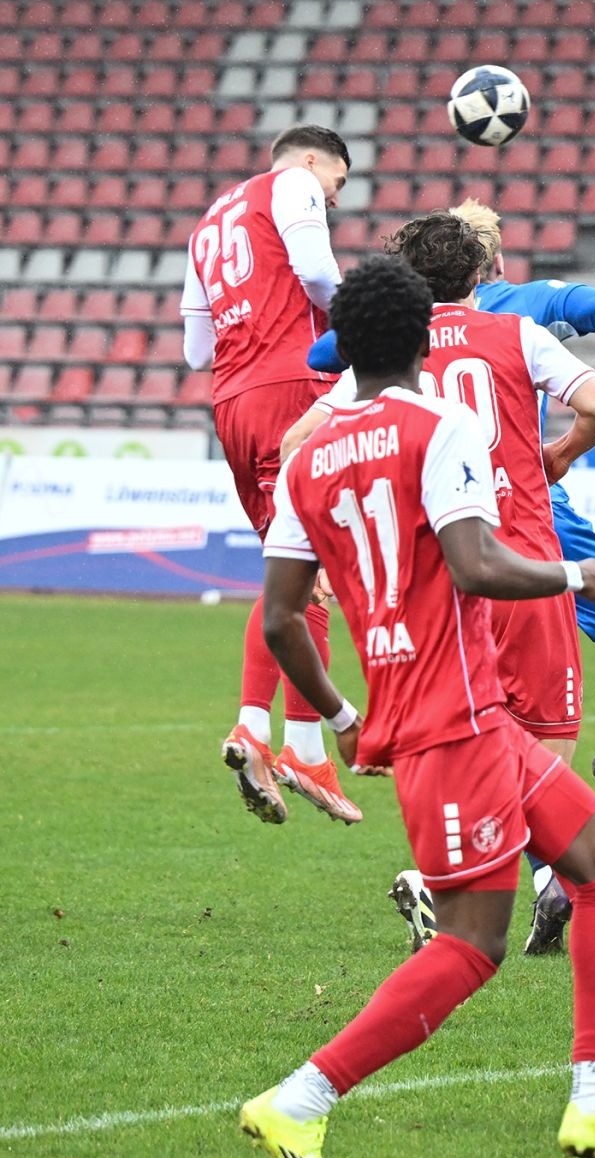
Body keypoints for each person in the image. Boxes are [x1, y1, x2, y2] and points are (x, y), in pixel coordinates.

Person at [240, 256, 595, 1158]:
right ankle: (300, 1100)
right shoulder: (443, 424)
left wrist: (341, 714)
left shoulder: (308, 457)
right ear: (423, 337)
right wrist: (579, 576)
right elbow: (478, 562)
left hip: (462, 718)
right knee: (472, 942)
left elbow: (284, 616)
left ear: (345, 347)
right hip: (455, 724)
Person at [282, 213, 595, 959]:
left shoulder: (382, 359)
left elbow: (297, 444)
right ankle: (557, 887)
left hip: (437, 583)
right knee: (546, 750)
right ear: (481, 276)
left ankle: (525, 887)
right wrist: (558, 455)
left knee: (482, 734)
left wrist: (315, 552)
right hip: (525, 563)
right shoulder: (516, 334)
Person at [182, 124, 361, 826]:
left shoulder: (207, 225)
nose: (334, 199)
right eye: (338, 184)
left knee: (295, 566)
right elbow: (318, 272)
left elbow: (198, 348)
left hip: (231, 401)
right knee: (307, 567)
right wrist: (364, 328)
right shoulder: (292, 185)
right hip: (295, 389)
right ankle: (285, 740)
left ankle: (277, 735)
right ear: (313, 160)